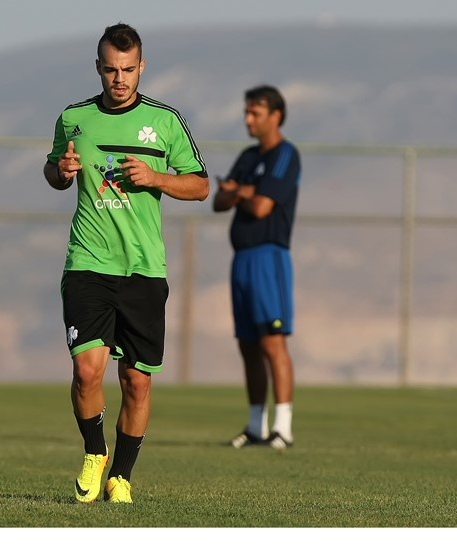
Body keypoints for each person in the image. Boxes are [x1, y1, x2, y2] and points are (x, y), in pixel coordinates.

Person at [43, 22, 209, 504]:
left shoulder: (165, 122)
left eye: (128, 70)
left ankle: (122, 476)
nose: (119, 78)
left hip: (143, 269)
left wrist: (156, 177)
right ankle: (94, 451)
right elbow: (53, 170)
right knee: (86, 372)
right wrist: (62, 171)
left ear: (142, 67)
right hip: (88, 263)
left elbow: (200, 186)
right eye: (111, 70)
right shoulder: (74, 118)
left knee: (136, 382)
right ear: (98, 68)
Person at [212, 84, 300, 450]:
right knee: (248, 344)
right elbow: (219, 200)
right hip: (242, 258)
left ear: (274, 116)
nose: (248, 120)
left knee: (271, 341)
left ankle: (283, 427)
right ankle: (255, 426)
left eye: (255, 113)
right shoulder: (248, 157)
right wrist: (242, 192)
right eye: (246, 112)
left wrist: (242, 193)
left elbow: (264, 206)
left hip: (269, 257)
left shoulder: (285, 155)